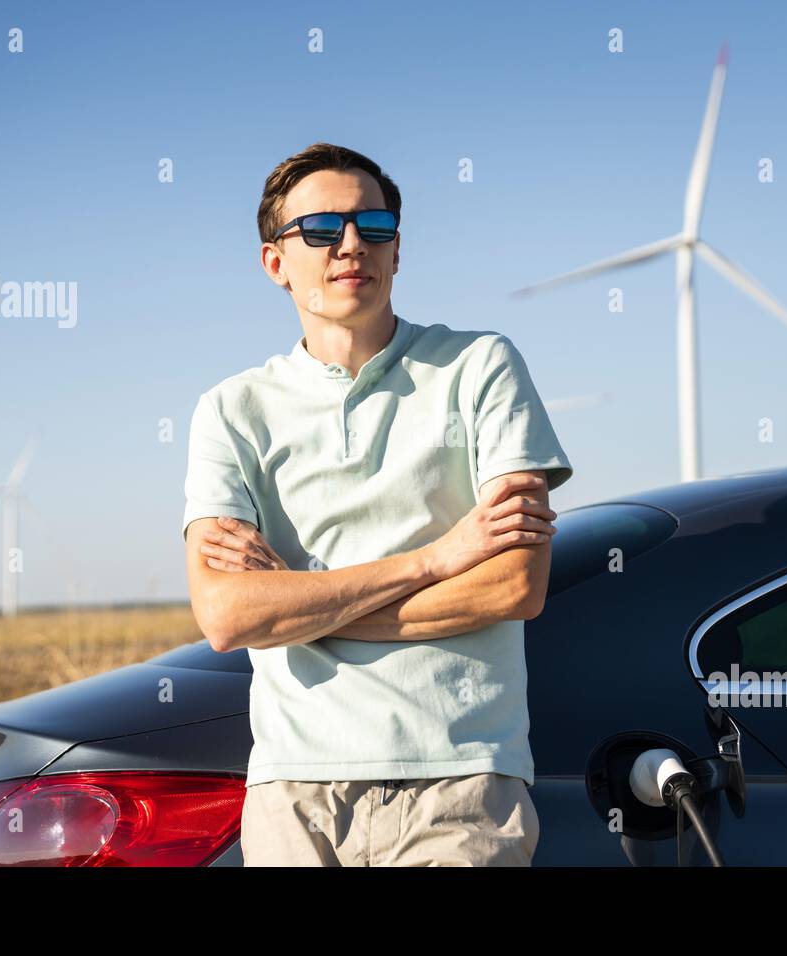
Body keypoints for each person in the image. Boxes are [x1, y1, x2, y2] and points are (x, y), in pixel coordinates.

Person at [181, 142, 573, 866]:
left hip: (460, 781)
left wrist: (298, 612)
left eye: (375, 226)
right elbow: (230, 615)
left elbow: (516, 584)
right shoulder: (230, 411)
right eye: (322, 230)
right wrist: (439, 558)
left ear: (398, 252)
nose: (351, 245)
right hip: (293, 792)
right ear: (276, 263)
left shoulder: (481, 366)